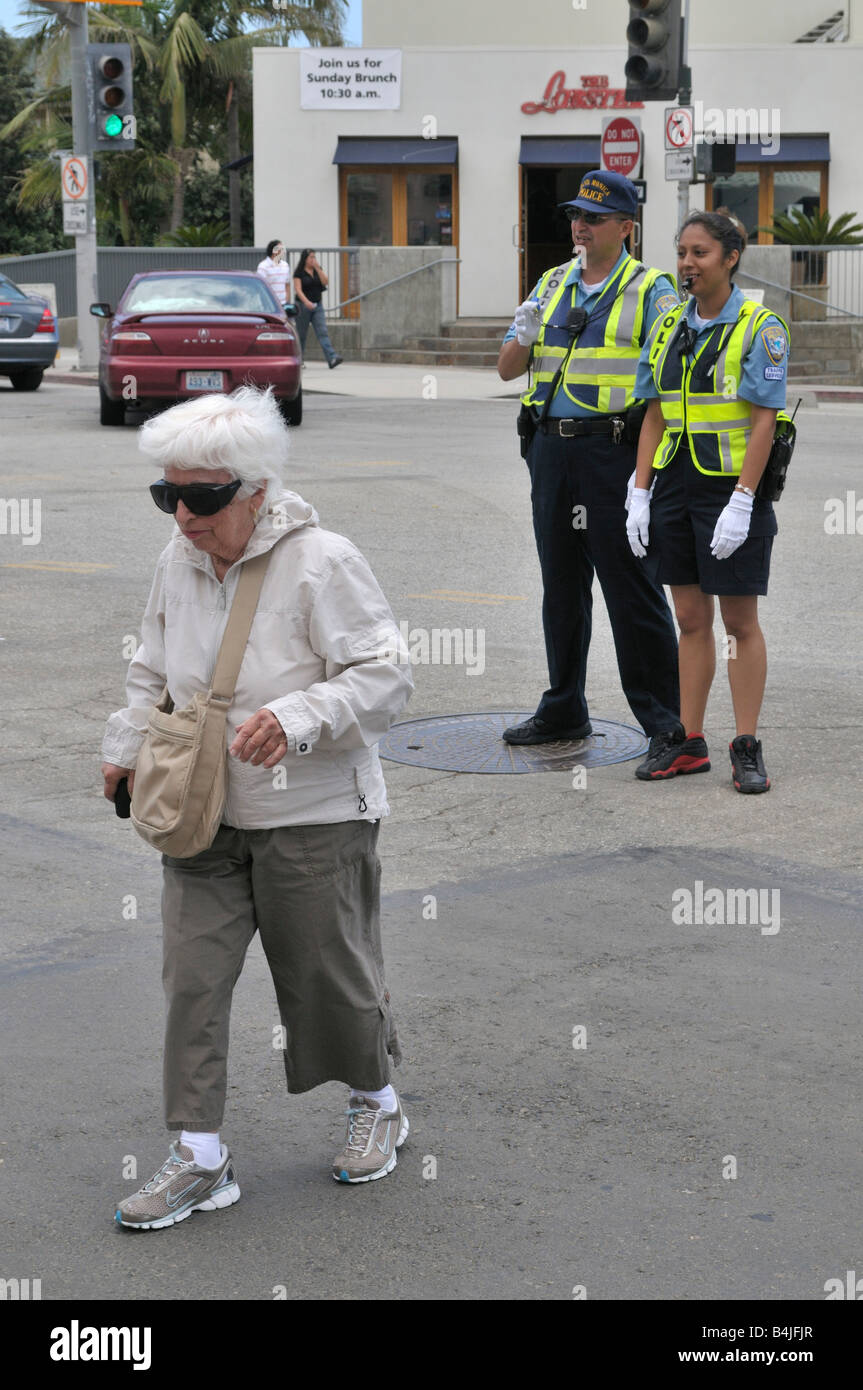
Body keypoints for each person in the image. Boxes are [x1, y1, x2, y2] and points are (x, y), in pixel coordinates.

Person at [101, 387, 414, 1230]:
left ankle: (377, 1098)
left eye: (199, 498)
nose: (181, 518)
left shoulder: (324, 561)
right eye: (167, 495)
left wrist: (299, 719)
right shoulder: (178, 560)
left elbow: (386, 676)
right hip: (201, 812)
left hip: (310, 814)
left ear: (253, 489)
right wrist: (124, 745)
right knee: (190, 985)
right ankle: (201, 1157)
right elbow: (150, 667)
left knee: (325, 977)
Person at [497, 170, 681, 768]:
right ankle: (564, 706)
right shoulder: (550, 284)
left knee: (632, 588)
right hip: (551, 450)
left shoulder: (653, 290)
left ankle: (665, 724)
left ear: (626, 227)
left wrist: (645, 481)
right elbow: (505, 369)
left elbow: (666, 391)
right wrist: (522, 336)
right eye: (576, 215)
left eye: (594, 217)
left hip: (615, 453)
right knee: (561, 586)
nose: (580, 225)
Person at [626, 211, 789, 793]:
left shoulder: (759, 325)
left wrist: (744, 499)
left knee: (739, 622)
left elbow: (765, 419)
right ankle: (687, 742)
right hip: (675, 486)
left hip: (731, 488)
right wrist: (638, 490)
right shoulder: (669, 323)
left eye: (699, 253)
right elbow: (653, 411)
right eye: (682, 252)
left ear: (730, 257)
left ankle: (745, 743)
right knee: (691, 619)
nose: (687, 264)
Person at [293, 249, 343, 368]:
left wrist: (318, 268)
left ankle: (332, 358)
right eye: (311, 257)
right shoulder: (299, 272)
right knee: (301, 334)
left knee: (323, 332)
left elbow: (325, 282)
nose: (313, 259)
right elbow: (298, 290)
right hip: (303, 306)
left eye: (314, 257)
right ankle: (299, 360)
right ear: (305, 259)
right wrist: (306, 302)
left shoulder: (317, 270)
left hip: (317, 306)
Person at [256, 239, 291, 307]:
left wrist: (287, 301)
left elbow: (287, 285)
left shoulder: (285, 265)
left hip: (283, 304)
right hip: (268, 305)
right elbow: (260, 287)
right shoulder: (263, 266)